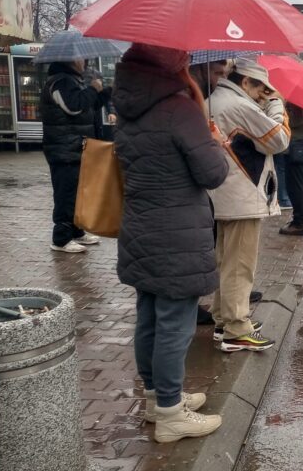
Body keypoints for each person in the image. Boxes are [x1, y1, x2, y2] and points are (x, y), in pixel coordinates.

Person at [113, 43, 229, 443]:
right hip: (177, 231)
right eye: (180, 55)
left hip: (141, 226)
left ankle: (155, 397)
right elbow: (213, 173)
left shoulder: (130, 108)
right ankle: (169, 414)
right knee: (175, 325)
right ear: (168, 64)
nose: (186, 60)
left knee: (148, 316)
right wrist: (213, 141)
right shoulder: (179, 109)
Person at [207, 58, 289, 352]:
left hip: (225, 191)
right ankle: (236, 327)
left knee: (226, 259)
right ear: (246, 82)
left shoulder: (216, 99)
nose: (262, 95)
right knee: (240, 263)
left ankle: (223, 319)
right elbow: (278, 140)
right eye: (260, 89)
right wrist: (277, 106)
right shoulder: (239, 105)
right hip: (243, 192)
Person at [40, 58, 110, 253]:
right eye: (80, 59)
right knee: (66, 195)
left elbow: (88, 108)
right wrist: (93, 89)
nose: (83, 62)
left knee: (78, 193)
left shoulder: (72, 80)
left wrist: (104, 93)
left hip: (76, 148)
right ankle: (61, 238)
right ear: (69, 61)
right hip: (64, 150)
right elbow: (74, 106)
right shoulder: (60, 82)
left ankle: (77, 231)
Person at [280, 102, 303, 235]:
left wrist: (282, 112)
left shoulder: (296, 101)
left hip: (295, 145)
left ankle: (299, 222)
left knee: (296, 186)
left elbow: (297, 121)